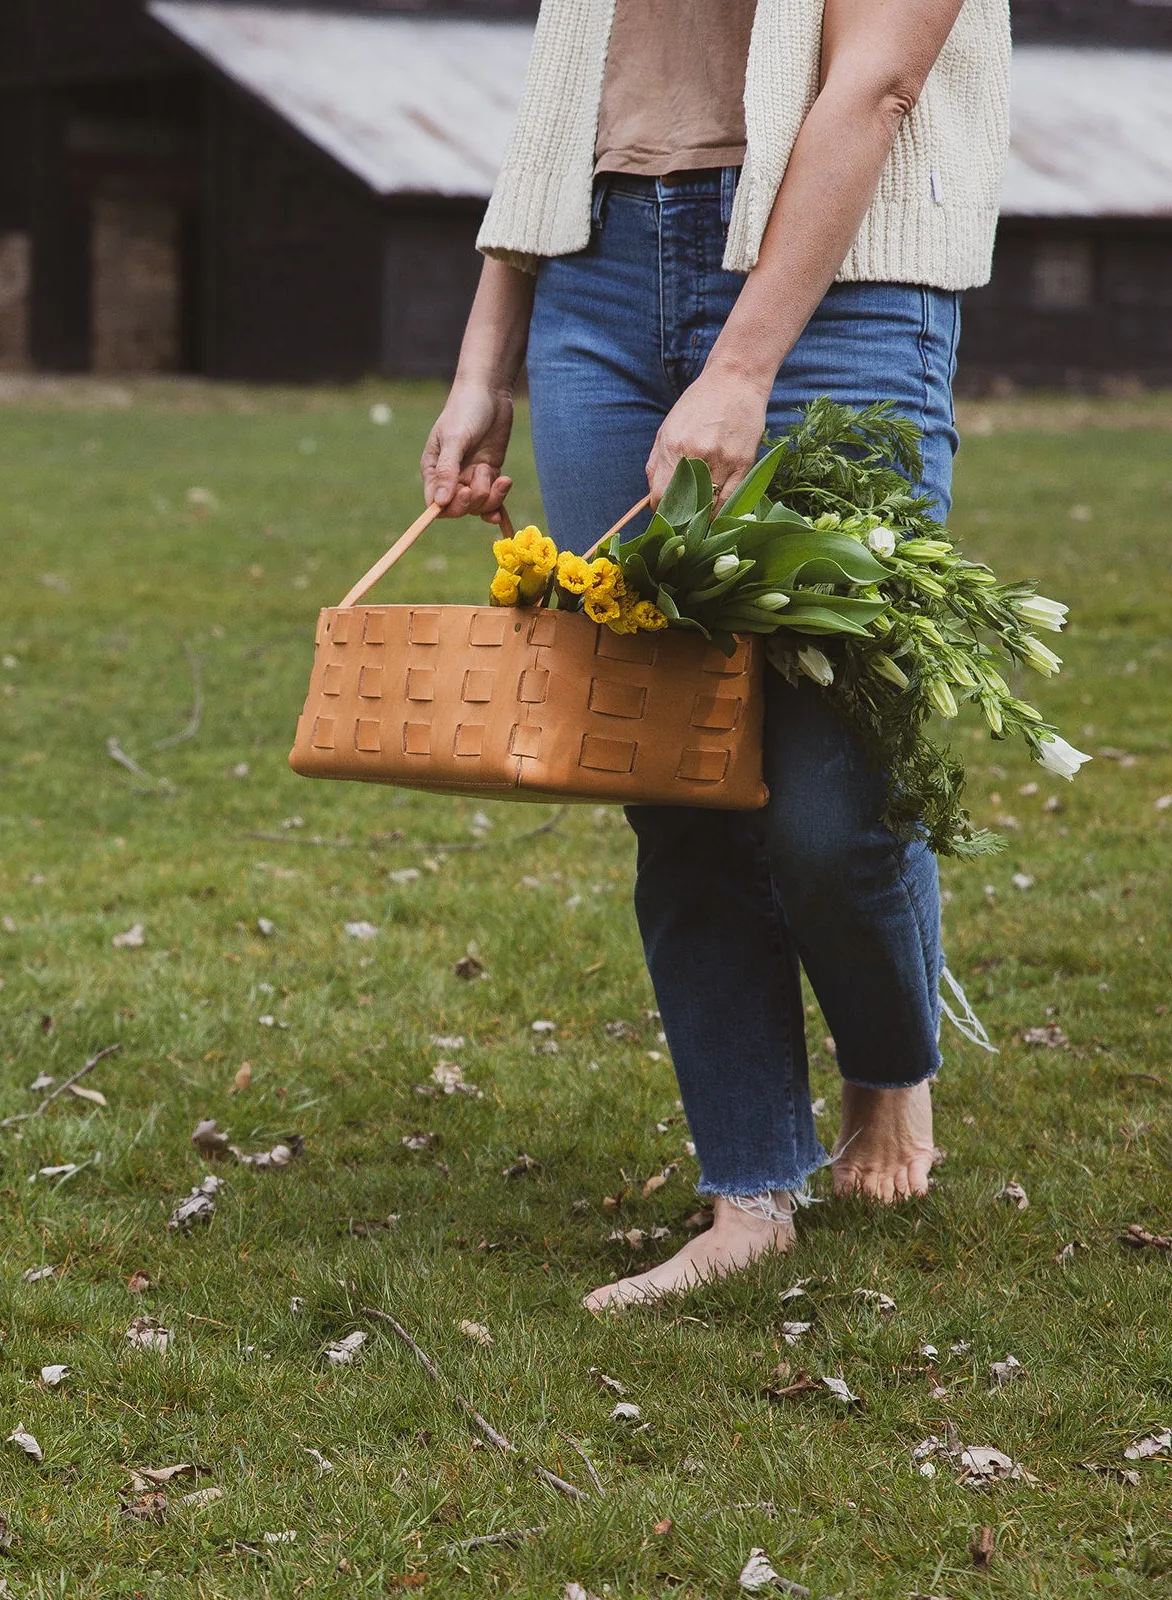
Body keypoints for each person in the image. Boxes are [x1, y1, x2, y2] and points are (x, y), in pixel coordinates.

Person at [420, 0, 1010, 1310]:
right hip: (603, 277)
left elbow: (878, 84)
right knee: (677, 772)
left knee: (834, 804)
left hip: (845, 287)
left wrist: (744, 365)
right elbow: (566, 82)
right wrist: (485, 358)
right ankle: (750, 1187)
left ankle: (889, 1064)